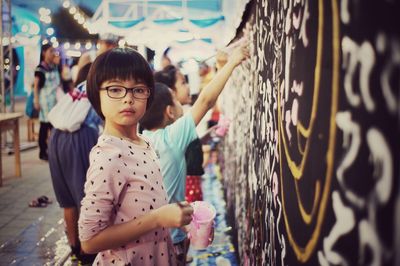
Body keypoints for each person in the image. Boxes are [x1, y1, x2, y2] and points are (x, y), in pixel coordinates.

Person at [78, 47, 194, 265]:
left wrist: (180, 216)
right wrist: (158, 219)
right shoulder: (109, 156)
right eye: (115, 89)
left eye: (138, 90)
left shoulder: (145, 142)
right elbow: (89, 240)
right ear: (96, 94)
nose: (128, 99)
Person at [140, 43, 249, 264]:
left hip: (146, 238)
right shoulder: (171, 136)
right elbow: (206, 100)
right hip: (172, 237)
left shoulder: (142, 138)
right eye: (175, 100)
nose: (181, 103)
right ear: (170, 112)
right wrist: (233, 62)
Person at [48, 63, 102, 265]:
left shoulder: (77, 89)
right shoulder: (98, 87)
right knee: (86, 197)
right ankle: (89, 251)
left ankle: (75, 249)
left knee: (68, 201)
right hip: (80, 138)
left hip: (56, 138)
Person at [33, 43, 61, 160]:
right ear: (44, 52)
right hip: (44, 102)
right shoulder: (40, 68)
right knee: (44, 127)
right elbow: (35, 86)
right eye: (50, 51)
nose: (53, 53)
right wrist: (36, 101)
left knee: (54, 128)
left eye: (53, 51)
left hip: (54, 102)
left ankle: (54, 150)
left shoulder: (54, 67)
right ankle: (42, 152)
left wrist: (58, 64)